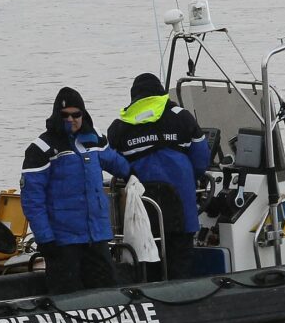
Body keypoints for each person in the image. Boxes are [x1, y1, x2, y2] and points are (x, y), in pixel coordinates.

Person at [20, 87, 131, 295]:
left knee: (108, 293)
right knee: (67, 296)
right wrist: (45, 239)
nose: (70, 119)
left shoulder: (95, 139)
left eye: (76, 114)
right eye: (64, 115)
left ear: (83, 114)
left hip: (96, 237)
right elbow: (32, 200)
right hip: (63, 242)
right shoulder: (41, 148)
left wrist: (136, 175)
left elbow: (118, 164)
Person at [107, 73, 209, 279]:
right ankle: (183, 301)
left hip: (142, 212)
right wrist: (192, 179)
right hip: (182, 211)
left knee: (147, 265)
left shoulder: (120, 126)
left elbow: (112, 161)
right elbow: (201, 159)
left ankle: (150, 301)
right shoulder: (182, 117)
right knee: (180, 263)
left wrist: (130, 173)